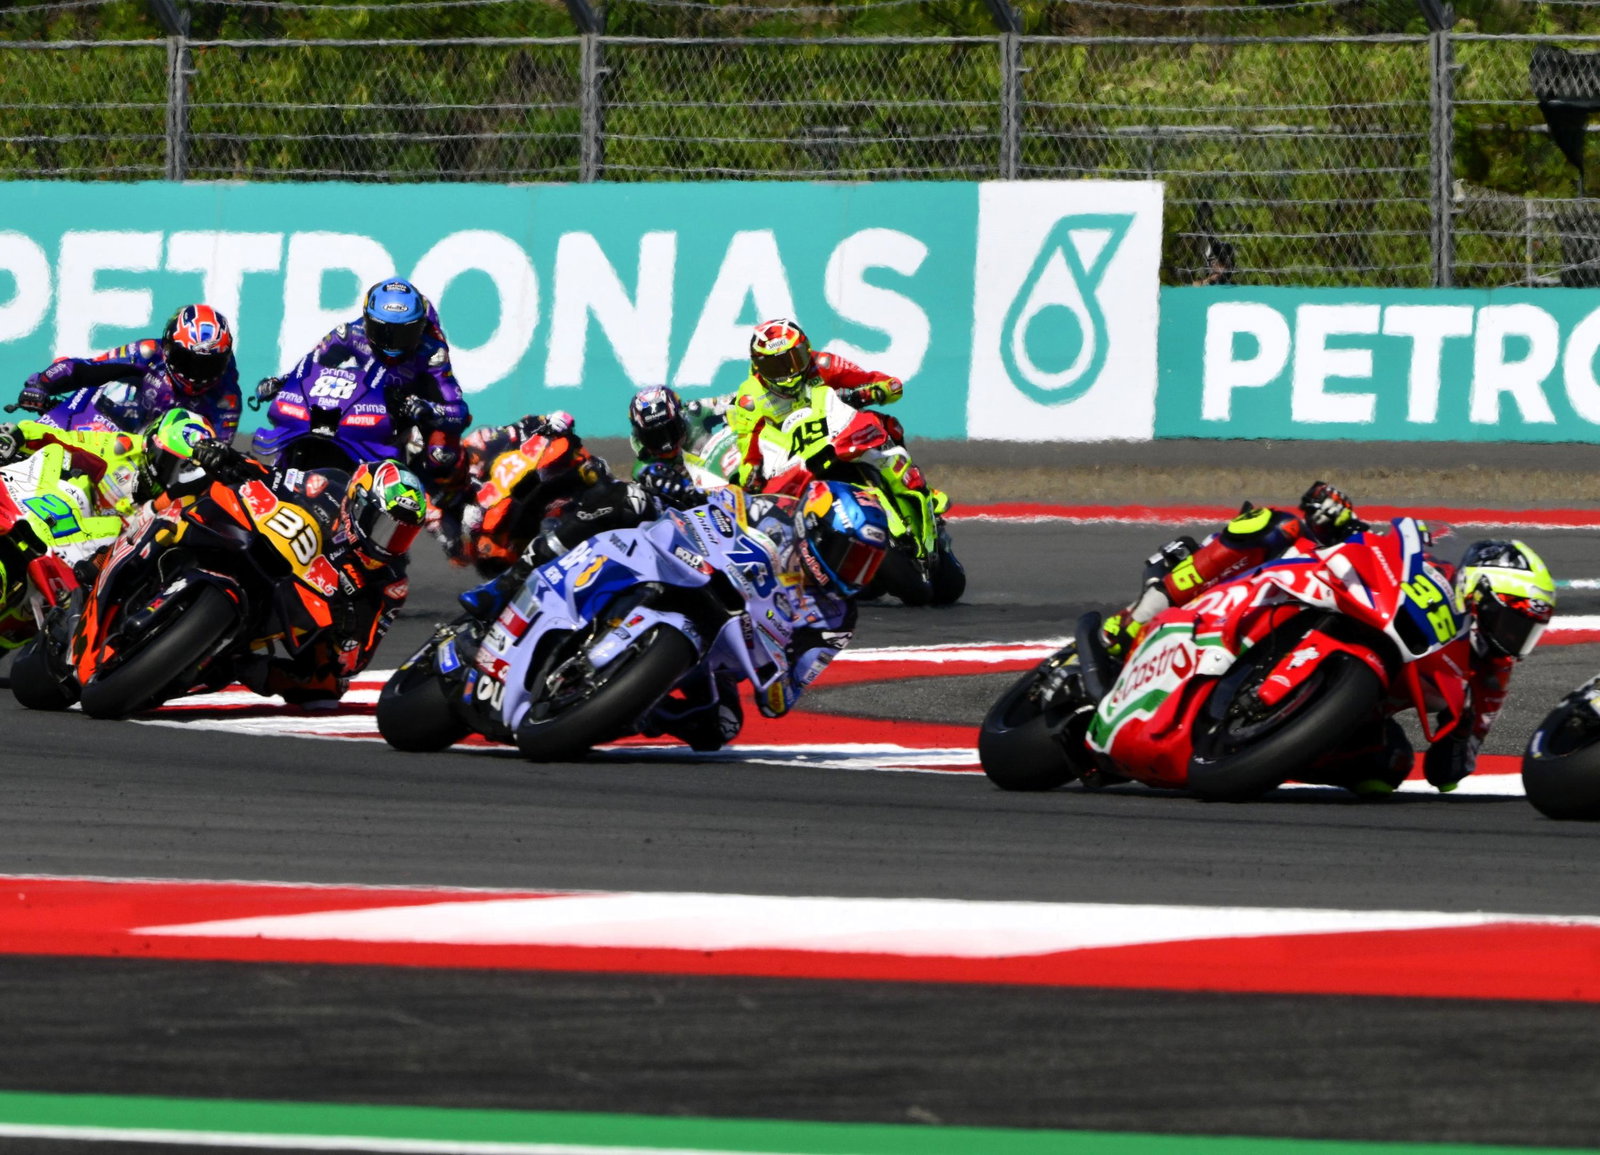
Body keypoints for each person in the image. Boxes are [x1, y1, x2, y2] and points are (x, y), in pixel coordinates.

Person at [640, 480, 890, 751]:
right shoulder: (774, 511)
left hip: (723, 657)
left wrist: (776, 678)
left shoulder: (837, 618)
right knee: (633, 505)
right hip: (697, 577)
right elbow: (726, 500)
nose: (854, 572)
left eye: (867, 563)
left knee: (722, 725)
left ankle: (632, 715)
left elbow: (781, 700)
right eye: (849, 556)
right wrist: (688, 490)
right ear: (818, 531)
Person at [190, 440, 426, 706]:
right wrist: (230, 458)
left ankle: (237, 666)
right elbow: (272, 477)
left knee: (327, 686)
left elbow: (354, 663)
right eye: (384, 526)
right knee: (198, 486)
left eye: (403, 534)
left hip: (297, 610)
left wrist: (346, 629)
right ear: (359, 504)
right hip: (267, 548)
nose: (390, 541)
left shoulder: (390, 583)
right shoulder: (326, 488)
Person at [0, 409, 217, 649]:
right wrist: (18, 435)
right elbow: (60, 438)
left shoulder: (177, 510)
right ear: (152, 445)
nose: (173, 478)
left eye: (184, 472)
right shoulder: (120, 448)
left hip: (77, 571)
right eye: (170, 463)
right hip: (42, 517)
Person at [1099, 480, 1365, 661]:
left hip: (1262, 640)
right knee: (1278, 526)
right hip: (1214, 603)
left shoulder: (1344, 571)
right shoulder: (1288, 533)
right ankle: (1135, 620)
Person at [257, 279, 469, 488]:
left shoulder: (432, 353)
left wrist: (428, 410)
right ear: (368, 321)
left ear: (419, 328)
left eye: (404, 333)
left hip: (411, 408)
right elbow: (311, 365)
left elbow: (459, 411)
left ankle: (432, 502)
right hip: (366, 402)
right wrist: (282, 382)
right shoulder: (350, 333)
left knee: (440, 455)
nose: (391, 341)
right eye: (382, 330)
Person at [726, 318, 946, 512]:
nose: (789, 373)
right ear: (758, 365)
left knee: (886, 424)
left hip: (835, 434)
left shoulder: (822, 364)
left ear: (807, 350)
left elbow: (884, 382)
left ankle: (917, 488)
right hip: (791, 458)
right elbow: (749, 447)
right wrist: (751, 473)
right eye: (776, 366)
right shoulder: (750, 397)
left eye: (794, 359)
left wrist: (878, 390)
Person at [14, 304, 242, 440]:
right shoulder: (148, 352)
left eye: (208, 365)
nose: (197, 374)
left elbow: (217, 453)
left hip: (146, 471)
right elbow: (85, 367)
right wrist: (41, 385)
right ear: (170, 348)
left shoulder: (227, 399)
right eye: (187, 360)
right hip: (100, 430)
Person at [628, 386, 709, 511]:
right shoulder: (643, 469)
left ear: (680, 417)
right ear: (640, 435)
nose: (665, 444)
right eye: (654, 437)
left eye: (671, 430)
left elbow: (738, 403)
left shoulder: (696, 412)